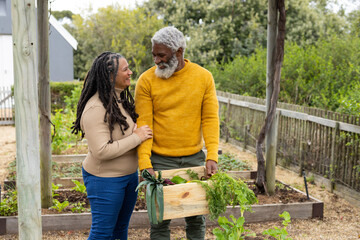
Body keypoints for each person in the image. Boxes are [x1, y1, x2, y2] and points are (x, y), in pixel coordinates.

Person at [135, 26, 220, 240]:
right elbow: (143, 126)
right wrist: (145, 163)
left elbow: (210, 119)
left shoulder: (203, 77)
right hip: (160, 160)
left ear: (179, 52)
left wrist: (212, 156)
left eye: (161, 55)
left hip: (194, 158)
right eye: (154, 54)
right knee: (159, 220)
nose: (156, 60)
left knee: (196, 219)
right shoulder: (146, 81)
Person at [72, 51, 153, 240]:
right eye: (125, 69)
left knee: (120, 229)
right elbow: (101, 151)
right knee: (102, 232)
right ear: (110, 76)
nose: (130, 72)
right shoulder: (95, 108)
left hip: (128, 178)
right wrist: (137, 137)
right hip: (105, 180)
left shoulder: (119, 100)